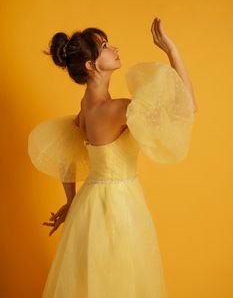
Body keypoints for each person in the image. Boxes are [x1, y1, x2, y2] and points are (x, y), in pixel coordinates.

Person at [28, 17, 197, 297]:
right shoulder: (117, 110)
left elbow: (64, 147)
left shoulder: (87, 106)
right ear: (91, 65)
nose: (114, 48)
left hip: (89, 204)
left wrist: (71, 201)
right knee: (120, 284)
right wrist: (172, 51)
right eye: (105, 46)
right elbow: (188, 107)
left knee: (93, 284)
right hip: (118, 207)